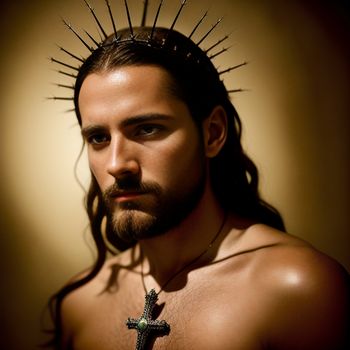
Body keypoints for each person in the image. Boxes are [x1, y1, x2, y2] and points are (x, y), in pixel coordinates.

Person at [47, 2, 349, 349]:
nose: (117, 164)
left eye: (147, 129)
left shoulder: (298, 290)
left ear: (213, 133)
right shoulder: (81, 303)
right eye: (99, 138)